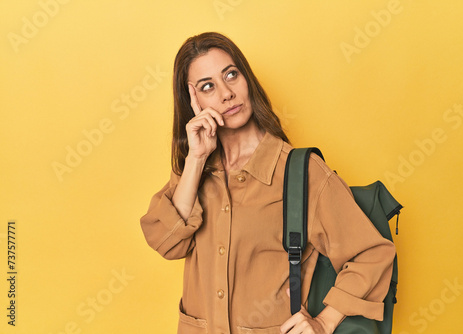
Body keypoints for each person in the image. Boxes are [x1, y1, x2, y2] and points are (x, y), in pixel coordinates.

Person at [140, 32, 396, 334]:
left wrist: (325, 323)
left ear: (246, 79)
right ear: (193, 100)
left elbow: (372, 253)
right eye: (208, 86)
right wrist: (195, 159)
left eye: (231, 75)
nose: (226, 93)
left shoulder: (300, 172)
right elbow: (166, 242)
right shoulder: (195, 171)